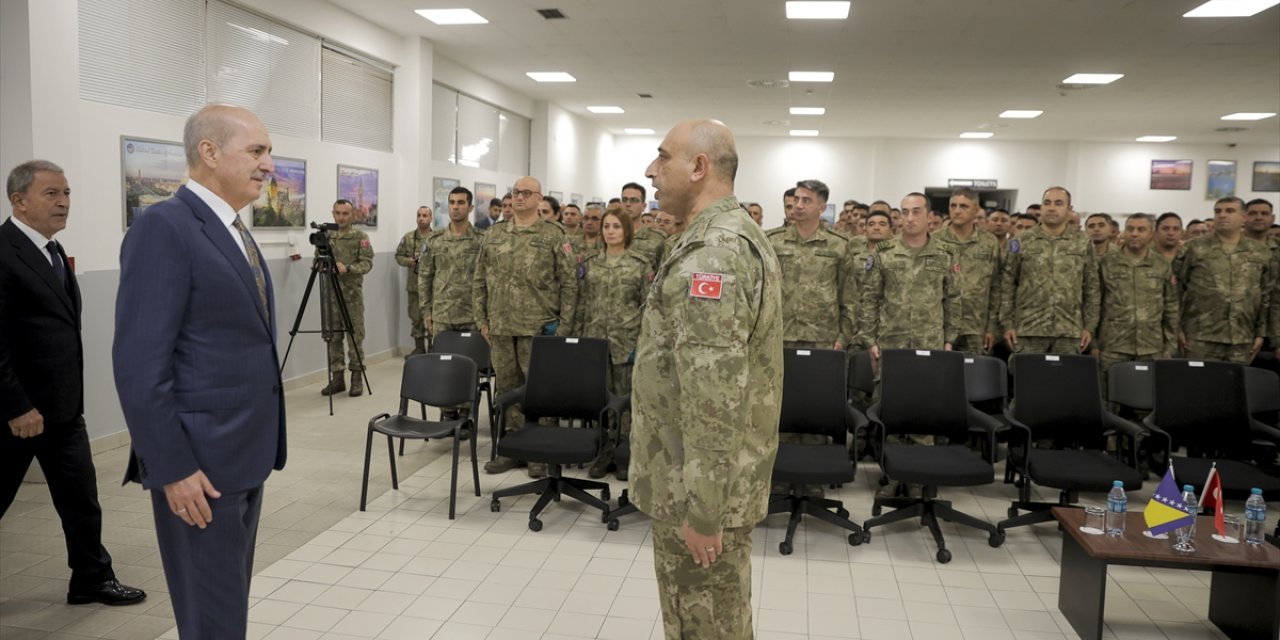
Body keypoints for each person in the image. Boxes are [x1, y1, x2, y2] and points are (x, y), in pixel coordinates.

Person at [112, 104, 287, 638]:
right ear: (209, 152)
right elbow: (140, 366)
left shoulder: (231, 227)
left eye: (268, 153)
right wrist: (171, 468)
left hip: (242, 456)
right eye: (256, 151)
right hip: (199, 467)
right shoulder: (166, 228)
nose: (268, 165)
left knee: (226, 608)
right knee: (211, 619)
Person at [631, 119, 782, 639]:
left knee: (704, 623)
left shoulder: (713, 253)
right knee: (716, 617)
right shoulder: (721, 236)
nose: (651, 171)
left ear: (699, 167)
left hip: (692, 486)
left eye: (662, 157)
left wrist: (705, 512)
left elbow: (713, 397)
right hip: (695, 478)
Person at [1, 160, 146, 608]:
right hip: (17, 414)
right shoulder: (4, 251)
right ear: (19, 201)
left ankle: (91, 579)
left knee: (82, 500)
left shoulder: (53, 250)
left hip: (61, 410)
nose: (63, 202)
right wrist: (16, 405)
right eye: (51, 194)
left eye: (66, 193)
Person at [473, 176, 578, 478]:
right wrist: (482, 319)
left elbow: (569, 284)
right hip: (501, 326)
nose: (519, 198)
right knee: (506, 389)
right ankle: (512, 448)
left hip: (539, 328)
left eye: (526, 193)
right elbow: (479, 279)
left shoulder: (554, 235)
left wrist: (564, 328)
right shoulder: (494, 235)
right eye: (516, 192)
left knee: (539, 391)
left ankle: (540, 452)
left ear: (538, 198)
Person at [574, 207, 651, 480]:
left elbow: (648, 307)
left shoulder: (640, 264)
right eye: (607, 226)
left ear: (626, 230)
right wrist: (580, 339)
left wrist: (642, 342)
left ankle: (623, 454)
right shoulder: (590, 262)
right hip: (596, 342)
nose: (610, 231)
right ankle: (604, 450)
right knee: (601, 400)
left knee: (625, 401)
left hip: (626, 341)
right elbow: (581, 304)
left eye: (616, 226)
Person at [1000, 186, 1100, 355]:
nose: (1052, 207)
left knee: (1066, 380)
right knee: (1029, 380)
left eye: (1058, 203)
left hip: (1069, 330)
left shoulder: (1082, 242)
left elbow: (1092, 287)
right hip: (1028, 330)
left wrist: (1089, 328)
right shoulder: (1021, 241)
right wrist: (1007, 324)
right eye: (1047, 203)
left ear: (1069, 209)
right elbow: (1007, 284)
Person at [1175, 197, 1273, 364]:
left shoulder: (1260, 252)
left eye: (1230, 211)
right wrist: (1177, 328)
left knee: (1234, 387)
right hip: (1200, 336)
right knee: (1197, 386)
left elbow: (1265, 295)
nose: (1222, 215)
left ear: (1244, 217)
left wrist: (1260, 333)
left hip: (1241, 337)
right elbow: (1176, 290)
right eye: (1218, 211)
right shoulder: (1193, 248)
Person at [1096, 214, 1179, 398]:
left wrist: (1170, 347)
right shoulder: (1107, 263)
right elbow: (1096, 304)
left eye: (1141, 230)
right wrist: (1095, 344)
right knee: (1109, 402)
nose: (1134, 234)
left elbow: (1171, 307)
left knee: (1147, 400)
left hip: (1151, 347)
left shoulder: (1161, 265)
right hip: (1113, 347)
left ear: (1151, 234)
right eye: (1130, 228)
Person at [767, 179, 856, 350]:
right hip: (780, 335)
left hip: (824, 338)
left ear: (821, 207)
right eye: (796, 200)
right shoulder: (773, 241)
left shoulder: (840, 244)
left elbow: (848, 297)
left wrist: (843, 338)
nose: (798, 206)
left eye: (806, 201)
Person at [934, 188, 1002, 354]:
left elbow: (996, 286)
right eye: (953, 205)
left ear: (976, 210)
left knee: (974, 375)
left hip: (976, 327)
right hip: (939, 326)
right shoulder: (934, 240)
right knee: (940, 375)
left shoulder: (989, 242)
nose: (957, 211)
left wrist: (991, 327)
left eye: (964, 206)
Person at [319, 199, 374, 397]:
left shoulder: (360, 237)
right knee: (332, 336)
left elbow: (367, 263)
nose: (341, 217)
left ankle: (357, 378)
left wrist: (349, 268)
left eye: (345, 214)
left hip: (352, 295)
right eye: (338, 213)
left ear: (352, 215)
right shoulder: (327, 236)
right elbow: (319, 259)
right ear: (333, 213)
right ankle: (337, 378)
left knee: (355, 337)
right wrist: (323, 266)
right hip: (330, 294)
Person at [420, 186, 482, 339]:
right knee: (442, 360)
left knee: (473, 361)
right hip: (442, 315)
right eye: (452, 202)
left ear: (470, 207)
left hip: (473, 315)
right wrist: (426, 311)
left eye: (461, 202)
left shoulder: (481, 240)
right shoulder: (435, 239)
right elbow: (424, 277)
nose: (455, 207)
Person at [395, 205, 432, 355]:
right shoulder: (408, 237)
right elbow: (398, 256)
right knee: (416, 318)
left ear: (430, 218)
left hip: (432, 288)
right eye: (419, 215)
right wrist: (408, 261)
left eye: (424, 215)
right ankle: (419, 348)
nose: (421, 219)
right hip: (414, 287)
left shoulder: (437, 237)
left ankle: (433, 348)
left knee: (432, 319)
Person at [622, 182, 666, 267]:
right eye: (624, 200)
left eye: (634, 200)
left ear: (643, 206)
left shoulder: (657, 238)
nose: (628, 204)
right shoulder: (609, 235)